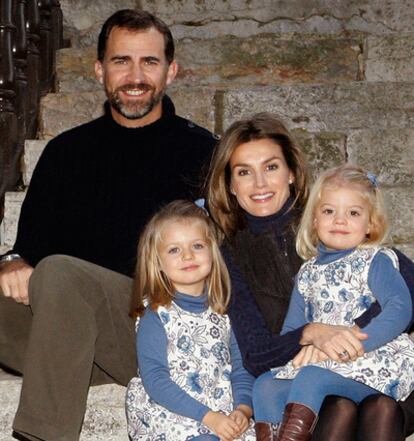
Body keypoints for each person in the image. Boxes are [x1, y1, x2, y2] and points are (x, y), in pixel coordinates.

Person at [0, 9, 216, 441]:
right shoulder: (65, 153)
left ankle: (44, 434)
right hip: (73, 322)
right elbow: (28, 252)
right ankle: (78, 361)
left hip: (164, 330)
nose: (135, 76)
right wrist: (11, 261)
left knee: (61, 273)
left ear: (171, 71)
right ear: (100, 70)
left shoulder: (204, 152)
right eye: (121, 61)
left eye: (149, 62)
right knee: (46, 283)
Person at [205, 112, 414, 441]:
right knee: (334, 405)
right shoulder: (227, 253)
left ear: (291, 172)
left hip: (371, 366)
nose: (260, 184)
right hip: (304, 378)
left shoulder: (332, 215)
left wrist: (344, 336)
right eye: (245, 172)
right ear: (230, 184)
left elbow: (407, 288)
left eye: (271, 167)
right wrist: (310, 334)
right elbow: (258, 354)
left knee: (379, 407)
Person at [252, 164, 414, 441]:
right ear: (314, 220)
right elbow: (293, 327)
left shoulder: (375, 260)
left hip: (371, 359)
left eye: (353, 213)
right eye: (329, 211)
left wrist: (352, 344)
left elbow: (400, 309)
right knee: (263, 385)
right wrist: (302, 349)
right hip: (323, 363)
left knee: (311, 379)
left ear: (370, 224)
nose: (340, 220)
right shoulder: (308, 272)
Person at [126, 200, 255, 441]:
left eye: (197, 246)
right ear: (158, 262)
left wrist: (243, 410)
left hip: (222, 411)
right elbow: (155, 379)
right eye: (174, 250)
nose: (187, 255)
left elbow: (241, 369)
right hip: (173, 413)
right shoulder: (156, 314)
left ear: (212, 252)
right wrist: (208, 417)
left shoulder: (226, 313)